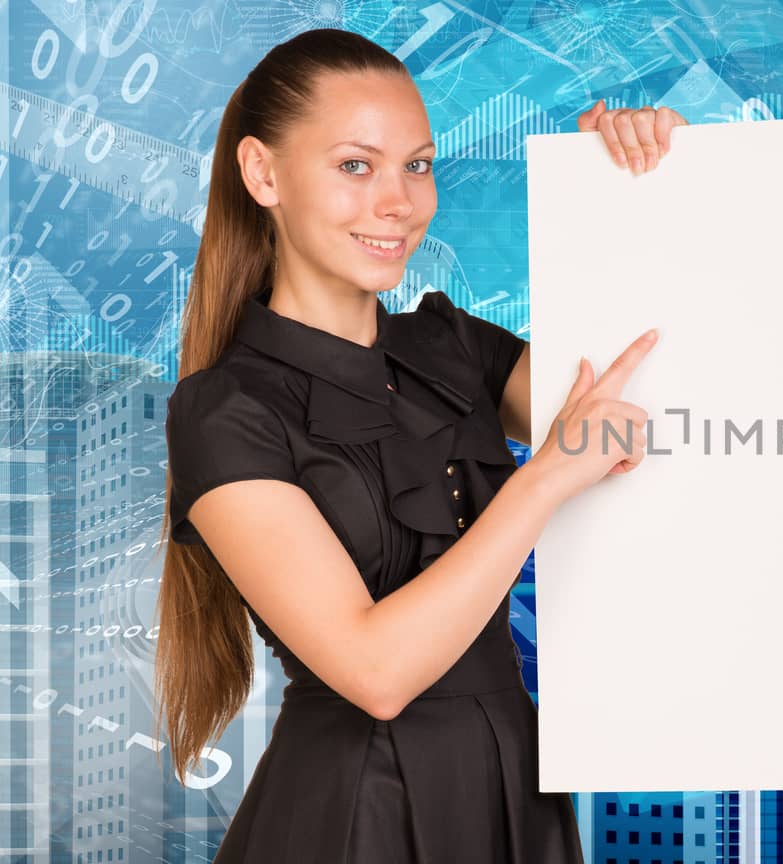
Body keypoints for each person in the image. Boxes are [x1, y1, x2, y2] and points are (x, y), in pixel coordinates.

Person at [154, 27, 684, 864]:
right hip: (356, 813)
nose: (398, 201)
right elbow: (376, 673)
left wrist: (623, 198)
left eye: (419, 164)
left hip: (518, 790)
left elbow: (647, 407)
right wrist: (541, 481)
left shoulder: (453, 349)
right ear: (263, 173)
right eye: (356, 166)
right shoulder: (225, 412)